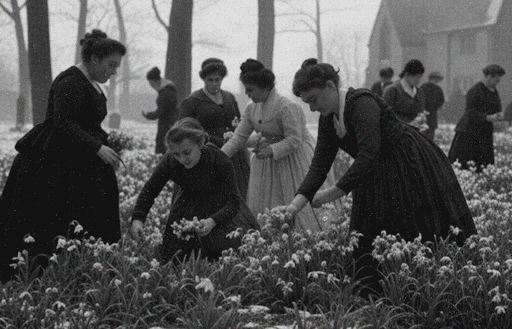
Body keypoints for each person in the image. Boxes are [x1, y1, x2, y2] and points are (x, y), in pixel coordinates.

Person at [286, 58, 476, 296]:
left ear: (331, 87)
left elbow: (369, 152)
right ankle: (385, 291)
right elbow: (319, 164)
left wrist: (333, 193)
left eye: (313, 100)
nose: (312, 108)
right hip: (375, 168)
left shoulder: (361, 103)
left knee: (413, 228)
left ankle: (421, 288)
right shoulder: (328, 119)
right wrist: (295, 206)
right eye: (307, 104)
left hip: (406, 161)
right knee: (374, 237)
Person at [0, 29, 126, 283]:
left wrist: (108, 141)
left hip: (77, 156)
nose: (113, 72)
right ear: (94, 60)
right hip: (53, 160)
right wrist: (97, 147)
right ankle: (39, 273)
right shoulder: (70, 81)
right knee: (50, 219)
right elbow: (64, 123)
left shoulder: (91, 83)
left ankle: (81, 270)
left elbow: (87, 123)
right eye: (111, 65)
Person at [221, 59, 333, 232]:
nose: (247, 94)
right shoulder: (251, 108)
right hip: (266, 162)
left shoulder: (286, 106)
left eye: (250, 90)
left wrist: (270, 150)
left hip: (294, 159)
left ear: (264, 87)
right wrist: (218, 157)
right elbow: (239, 138)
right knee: (265, 205)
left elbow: (294, 139)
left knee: (295, 204)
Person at [130, 118, 259, 263]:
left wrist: (212, 221)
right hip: (186, 208)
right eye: (176, 154)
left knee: (220, 259)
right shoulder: (170, 160)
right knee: (177, 259)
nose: (182, 159)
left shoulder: (219, 159)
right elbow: (150, 189)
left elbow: (234, 202)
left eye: (187, 152)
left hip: (219, 211)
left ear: (200, 143)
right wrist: (138, 218)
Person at [179, 58, 250, 199]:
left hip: (233, 152)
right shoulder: (192, 101)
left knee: (238, 190)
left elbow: (238, 122)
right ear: (204, 79)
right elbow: (184, 129)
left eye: (217, 80)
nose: (214, 84)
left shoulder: (229, 97)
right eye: (210, 80)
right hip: (208, 151)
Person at [448, 64, 506, 172]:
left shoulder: (494, 91)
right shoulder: (475, 90)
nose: (497, 83)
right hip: (469, 133)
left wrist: (499, 116)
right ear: (488, 77)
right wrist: (487, 117)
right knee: (467, 165)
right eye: (496, 80)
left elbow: (497, 108)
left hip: (485, 133)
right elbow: (470, 112)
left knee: (483, 166)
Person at [142, 66, 178, 154]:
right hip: (168, 122)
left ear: (155, 81)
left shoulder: (166, 92)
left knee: (163, 147)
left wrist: (148, 115)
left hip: (167, 124)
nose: (150, 85)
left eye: (151, 83)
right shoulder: (166, 90)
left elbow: (162, 111)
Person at [383, 59, 426, 124]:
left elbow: (420, 112)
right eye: (417, 77)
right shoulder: (392, 91)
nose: (419, 80)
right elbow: (386, 117)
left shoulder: (419, 92)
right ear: (407, 75)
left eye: (420, 77)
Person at [420, 71, 445, 141]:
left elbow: (441, 101)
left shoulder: (436, 89)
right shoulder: (424, 88)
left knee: (429, 136)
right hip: (425, 115)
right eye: (435, 79)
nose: (437, 81)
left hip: (430, 115)